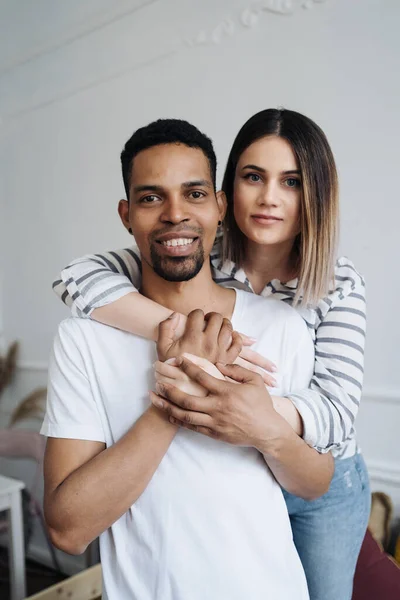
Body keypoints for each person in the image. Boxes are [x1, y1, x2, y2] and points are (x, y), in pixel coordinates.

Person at [52, 109, 370, 600]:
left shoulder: (335, 284)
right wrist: (184, 343)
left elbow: (335, 417)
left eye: (291, 181)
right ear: (230, 195)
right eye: (253, 177)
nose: (269, 198)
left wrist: (244, 404)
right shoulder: (199, 247)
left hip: (319, 466)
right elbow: (77, 278)